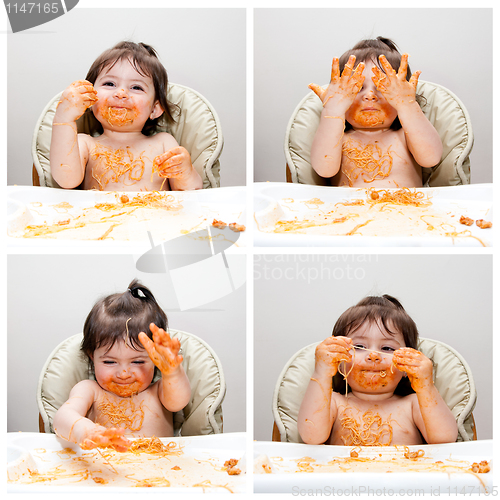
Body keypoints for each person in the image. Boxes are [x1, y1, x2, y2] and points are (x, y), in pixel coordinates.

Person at [297, 295, 458, 446]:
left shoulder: (413, 404)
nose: (373, 356)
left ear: (406, 367)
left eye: (387, 348)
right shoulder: (334, 403)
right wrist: (322, 372)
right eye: (359, 347)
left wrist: (426, 386)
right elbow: (311, 437)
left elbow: (445, 439)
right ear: (339, 362)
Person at [53, 279, 191, 451]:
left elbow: (179, 401)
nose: (124, 373)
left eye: (138, 361)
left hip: (159, 472)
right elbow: (61, 419)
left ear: (155, 360)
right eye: (110, 362)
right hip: (104, 473)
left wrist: (172, 372)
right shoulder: (90, 391)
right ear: (92, 356)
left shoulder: (160, 392)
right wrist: (86, 430)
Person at [50, 41, 202, 191]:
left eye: (136, 87)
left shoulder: (163, 143)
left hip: (156, 215)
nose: (121, 93)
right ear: (90, 99)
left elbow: (189, 194)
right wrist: (64, 119)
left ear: (155, 109)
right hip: (98, 215)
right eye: (110, 84)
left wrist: (186, 173)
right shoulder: (85, 144)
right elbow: (66, 180)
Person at [309, 37, 443, 188]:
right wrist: (333, 110)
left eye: (382, 87)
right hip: (349, 210)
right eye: (358, 88)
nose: (370, 95)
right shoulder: (338, 140)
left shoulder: (406, 137)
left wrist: (408, 106)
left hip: (407, 209)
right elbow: (323, 170)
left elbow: (431, 159)